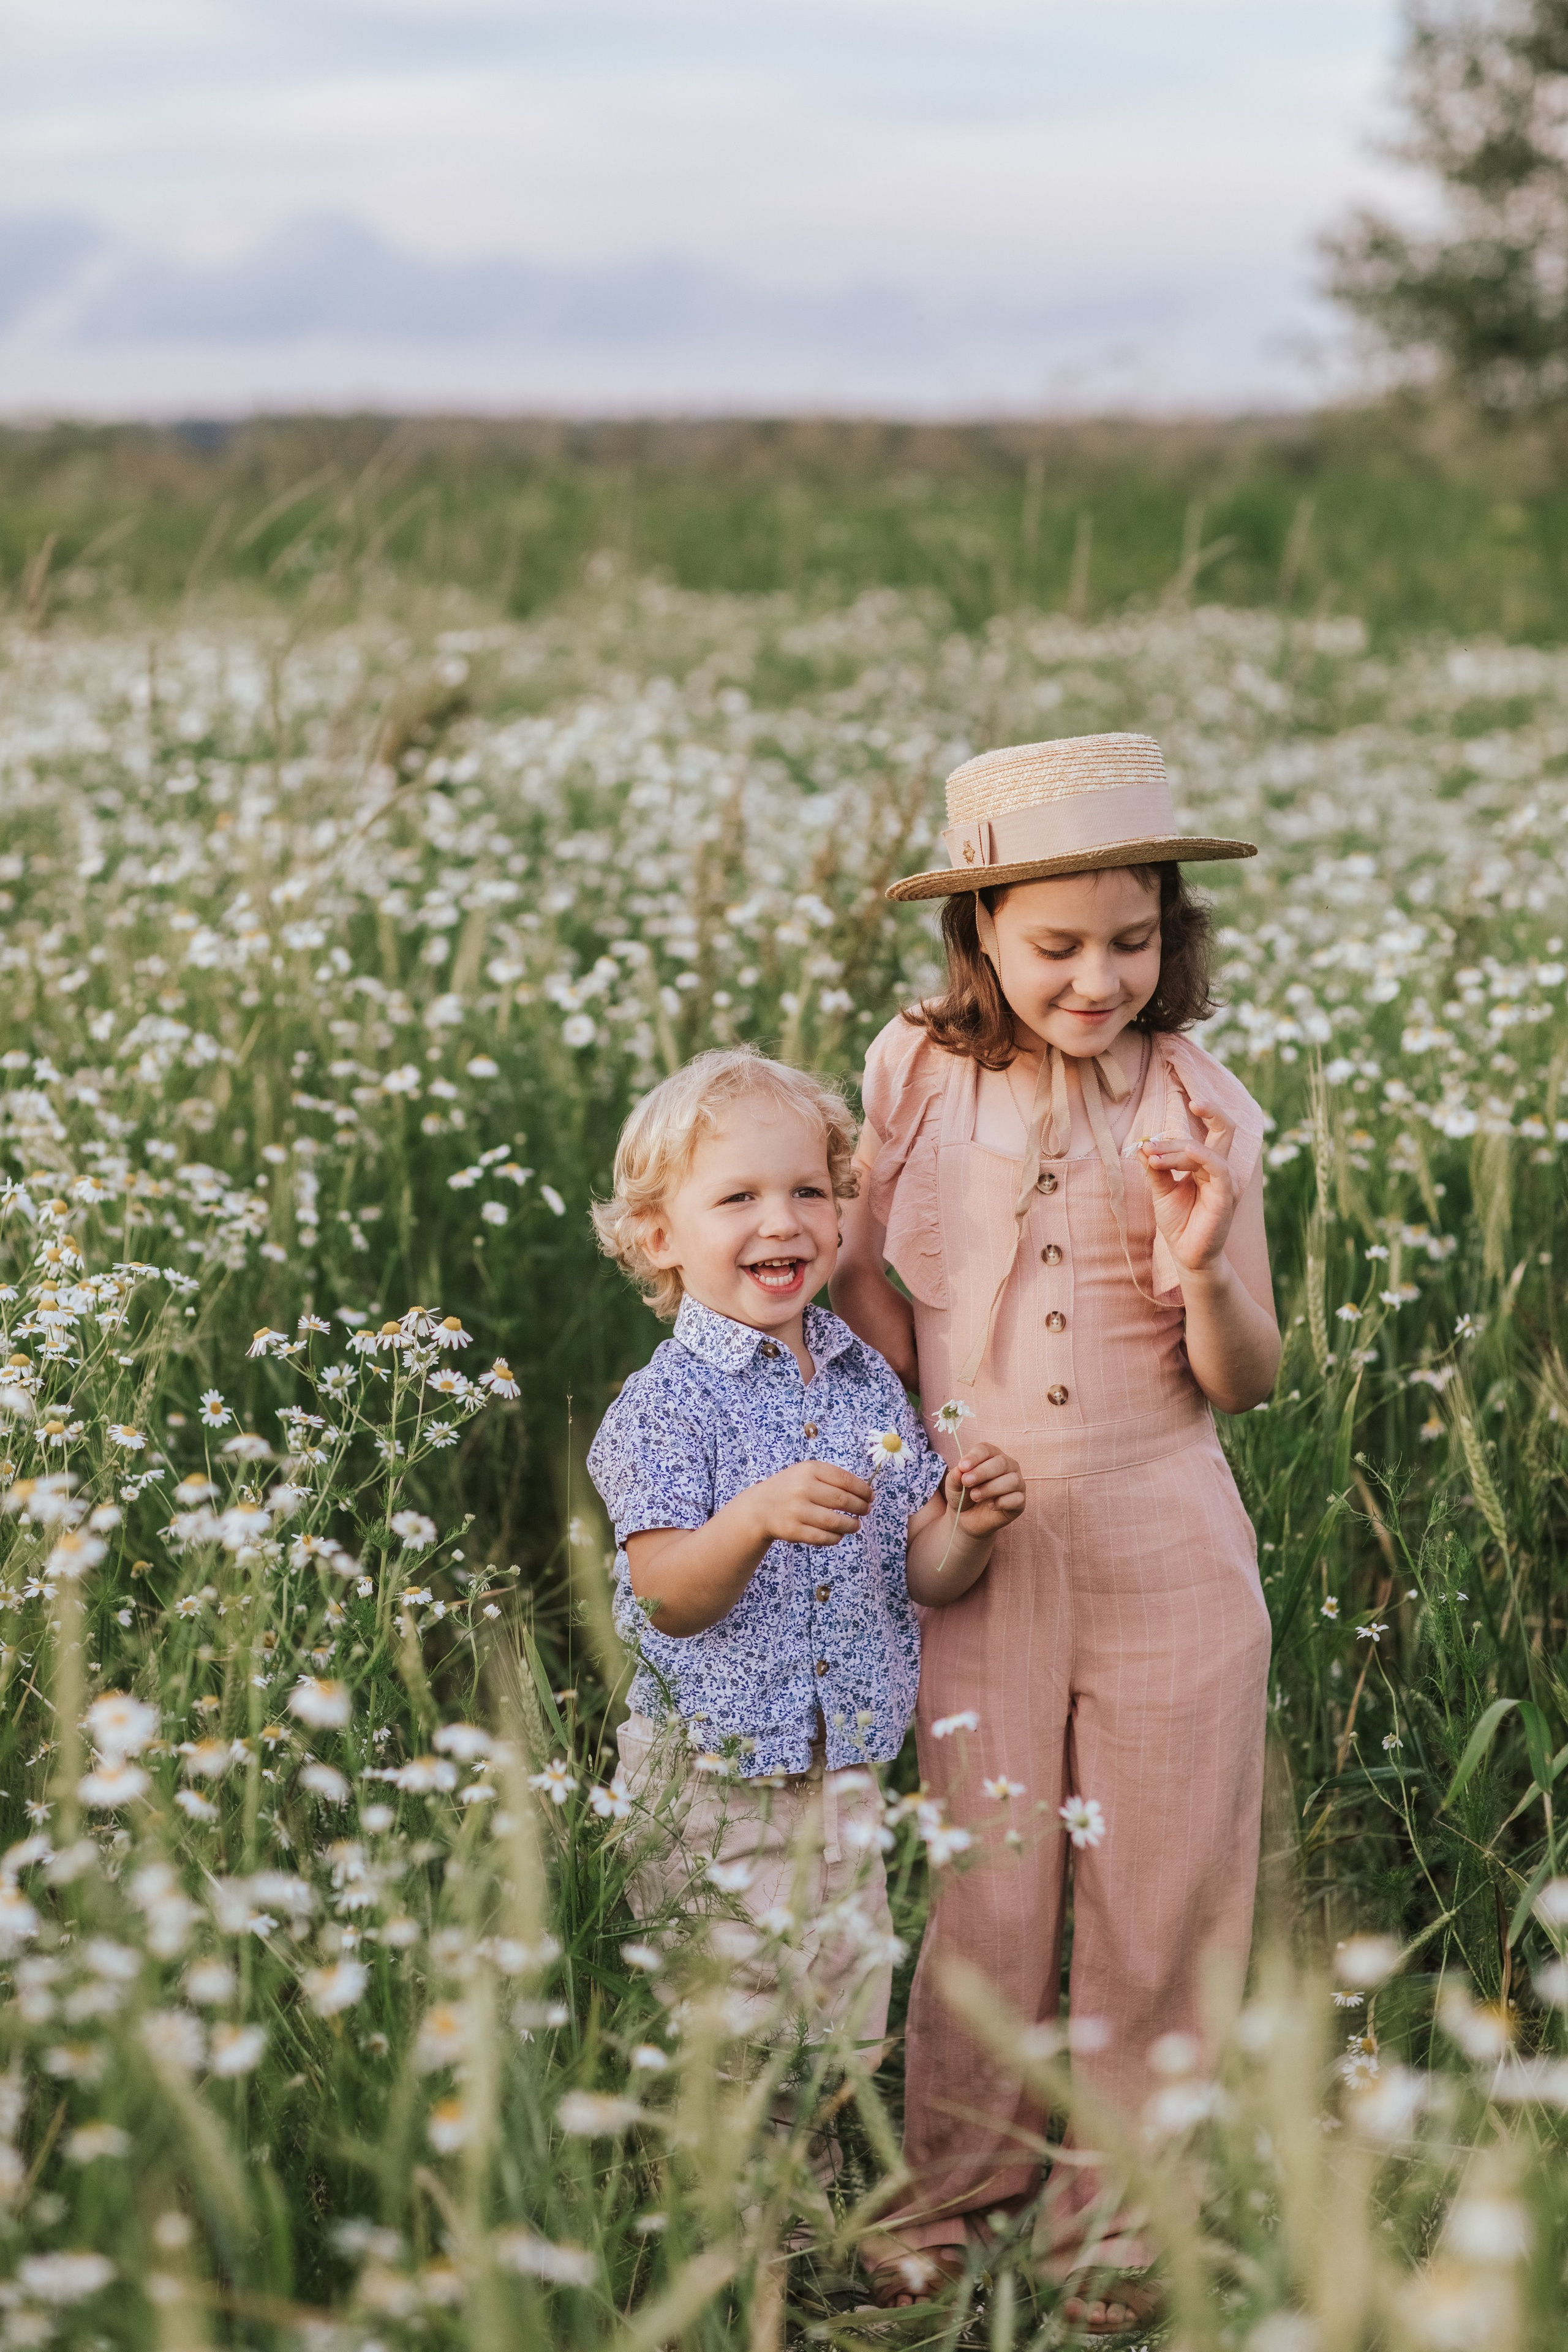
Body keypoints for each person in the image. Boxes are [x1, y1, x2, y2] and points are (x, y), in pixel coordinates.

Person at [831, 732, 1279, 2334]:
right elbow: (869, 1272)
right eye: (1057, 946)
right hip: (984, 1556)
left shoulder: (1202, 1102)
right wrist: (921, 1449)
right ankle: (955, 2188)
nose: (1099, 977)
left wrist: (1203, 1260)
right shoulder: (916, 1068)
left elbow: (1248, 1376)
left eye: (1134, 940)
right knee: (992, 1884)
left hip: (1170, 1546)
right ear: (981, 939)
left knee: (1165, 1893)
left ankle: (1118, 2223)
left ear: (1174, 933)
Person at [586, 1047, 1026, 2160]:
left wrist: (966, 1526)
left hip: (842, 1767)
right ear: (659, 1239)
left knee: (839, 2008)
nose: (780, 1221)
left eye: (808, 1193)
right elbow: (666, 1594)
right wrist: (748, 1519)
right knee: (730, 2016)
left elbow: (919, 1576)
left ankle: (807, 2196)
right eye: (736, 1197)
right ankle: (735, 2236)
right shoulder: (664, 1408)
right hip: (713, 1777)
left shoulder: (865, 1378)